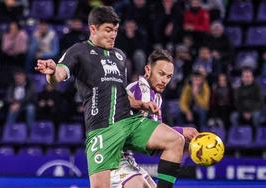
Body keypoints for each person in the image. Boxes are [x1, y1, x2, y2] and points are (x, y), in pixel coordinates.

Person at [35, 6, 187, 188]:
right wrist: (52, 72)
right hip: (102, 130)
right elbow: (58, 75)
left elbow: (122, 93)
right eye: (108, 30)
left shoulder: (120, 56)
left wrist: (141, 104)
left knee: (176, 140)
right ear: (93, 29)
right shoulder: (79, 51)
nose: (113, 35)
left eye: (115, 30)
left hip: (129, 124)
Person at [111, 49, 198, 188]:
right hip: (112, 159)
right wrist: (181, 132)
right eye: (161, 74)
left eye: (169, 77)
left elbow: (154, 132)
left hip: (127, 158)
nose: (164, 80)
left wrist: (181, 133)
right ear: (148, 70)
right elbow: (154, 138)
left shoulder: (156, 96)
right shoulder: (142, 91)